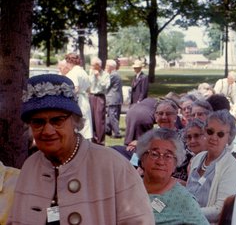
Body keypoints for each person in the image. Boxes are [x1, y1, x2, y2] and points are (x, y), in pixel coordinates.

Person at [8, 74, 154, 224]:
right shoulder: (30, 167)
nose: (47, 131)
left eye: (57, 120)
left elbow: (140, 221)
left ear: (75, 121)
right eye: (38, 122)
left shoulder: (113, 165)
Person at [136, 128, 208, 225]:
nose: (160, 161)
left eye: (168, 156)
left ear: (175, 165)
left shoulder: (184, 200)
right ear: (142, 159)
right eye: (154, 154)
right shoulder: (129, 189)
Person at [186, 109, 236, 224]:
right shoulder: (198, 158)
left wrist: (186, 213)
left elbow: (219, 211)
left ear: (229, 138)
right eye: (210, 132)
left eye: (220, 134)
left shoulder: (231, 168)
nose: (214, 137)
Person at [64, 53, 93, 140]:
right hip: (84, 100)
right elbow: (88, 89)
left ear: (68, 62)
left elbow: (75, 88)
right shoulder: (83, 71)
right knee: (85, 126)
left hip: (78, 101)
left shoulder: (73, 72)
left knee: (78, 126)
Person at [88, 57, 110, 145]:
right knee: (91, 119)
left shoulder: (105, 74)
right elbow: (89, 84)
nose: (92, 67)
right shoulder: (91, 72)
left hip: (99, 97)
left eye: (93, 65)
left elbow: (105, 86)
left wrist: (98, 77)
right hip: (91, 96)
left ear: (98, 66)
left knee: (99, 120)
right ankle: (93, 140)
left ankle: (100, 141)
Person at [105, 59, 123, 139]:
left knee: (112, 116)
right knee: (110, 115)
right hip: (116, 98)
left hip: (112, 99)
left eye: (107, 66)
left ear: (110, 67)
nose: (106, 67)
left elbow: (105, 84)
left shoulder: (113, 75)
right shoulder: (116, 74)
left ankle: (117, 133)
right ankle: (108, 130)